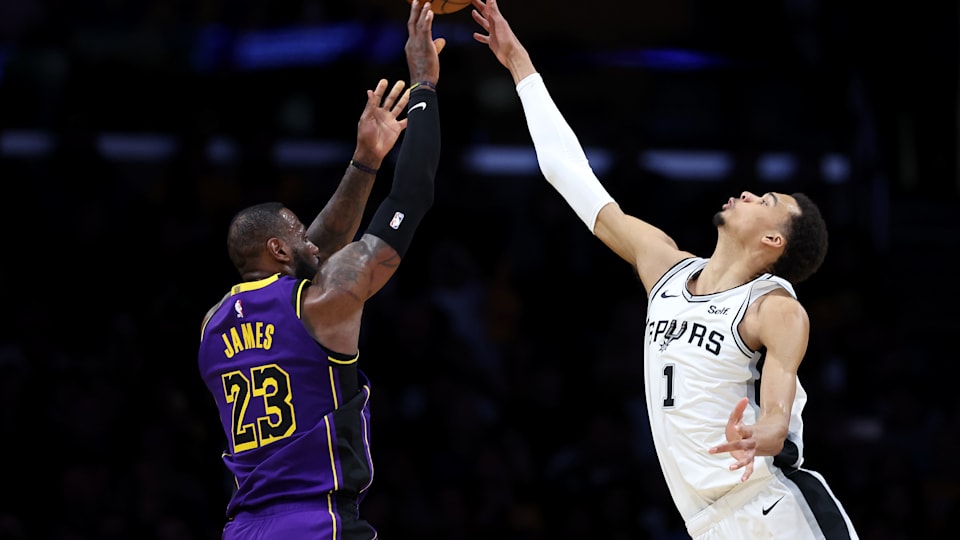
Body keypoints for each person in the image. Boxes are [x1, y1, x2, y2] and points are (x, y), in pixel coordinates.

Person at [470, 1, 859, 538]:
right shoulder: (666, 268)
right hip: (707, 522)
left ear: (774, 240)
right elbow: (569, 175)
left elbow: (777, 404)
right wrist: (520, 64)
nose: (749, 193)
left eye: (766, 200)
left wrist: (766, 434)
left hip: (774, 509)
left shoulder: (774, 308)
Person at [197, 2, 445, 538]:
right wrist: (424, 84)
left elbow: (315, 250)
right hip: (317, 521)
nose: (311, 237)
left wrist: (366, 161)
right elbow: (413, 195)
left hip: (244, 528)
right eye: (297, 232)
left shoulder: (212, 324)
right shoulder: (323, 303)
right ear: (277, 249)